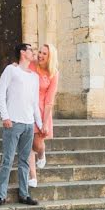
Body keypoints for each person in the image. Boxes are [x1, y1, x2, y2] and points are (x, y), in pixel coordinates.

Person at [0, 43, 45, 206]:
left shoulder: (34, 77)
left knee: (24, 161)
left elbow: (35, 103)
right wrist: (5, 116)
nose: (33, 53)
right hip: (13, 122)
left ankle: (24, 194)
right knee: (7, 159)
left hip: (29, 124)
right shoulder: (11, 70)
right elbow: (1, 94)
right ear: (23, 53)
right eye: (30, 50)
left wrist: (40, 123)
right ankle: (1, 195)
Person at [28, 43, 60, 187]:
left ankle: (41, 153)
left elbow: (49, 100)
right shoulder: (32, 65)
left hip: (42, 110)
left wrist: (45, 122)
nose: (40, 55)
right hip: (28, 107)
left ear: (50, 57)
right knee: (28, 143)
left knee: (38, 143)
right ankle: (33, 177)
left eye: (44, 54)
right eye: (39, 52)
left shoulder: (54, 73)